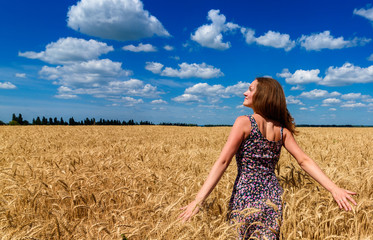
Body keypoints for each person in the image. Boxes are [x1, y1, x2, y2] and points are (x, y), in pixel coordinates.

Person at [178, 77, 357, 239]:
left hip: (245, 197)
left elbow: (223, 161)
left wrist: (197, 201)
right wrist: (333, 188)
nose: (245, 92)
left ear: (262, 95)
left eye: (250, 89)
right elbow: (304, 161)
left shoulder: (244, 122)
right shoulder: (282, 130)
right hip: (272, 199)